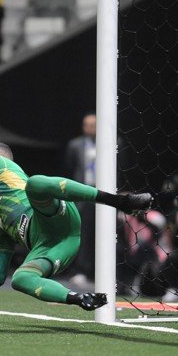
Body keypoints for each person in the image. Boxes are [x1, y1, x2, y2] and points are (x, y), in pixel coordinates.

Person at [0, 141, 153, 320]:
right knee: (19, 278)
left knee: (35, 184)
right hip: (57, 247)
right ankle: (79, 298)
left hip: (53, 217)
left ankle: (121, 202)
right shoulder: (1, 220)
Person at [63, 113, 97, 284]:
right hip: (83, 194)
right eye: (87, 125)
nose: (90, 128)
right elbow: (70, 167)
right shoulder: (75, 145)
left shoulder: (113, 144)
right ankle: (82, 270)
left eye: (94, 124)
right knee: (82, 231)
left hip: (104, 194)